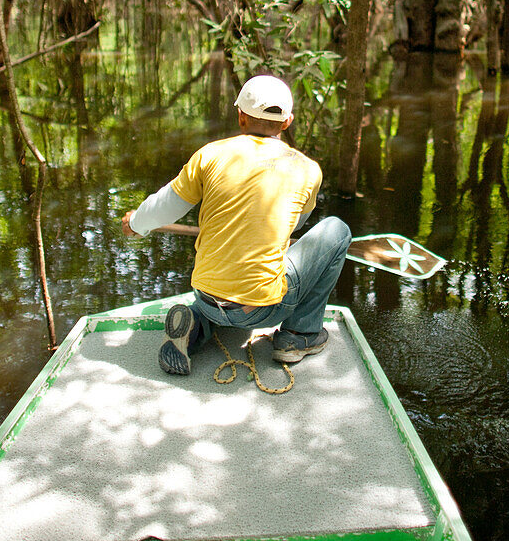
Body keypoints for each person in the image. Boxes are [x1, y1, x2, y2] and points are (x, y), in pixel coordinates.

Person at [121, 74, 352, 376]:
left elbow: (166, 206)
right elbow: (295, 225)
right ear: (287, 122)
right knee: (337, 230)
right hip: (263, 311)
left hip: (205, 298)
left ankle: (196, 322)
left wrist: (136, 222)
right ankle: (299, 335)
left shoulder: (210, 155)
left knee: (215, 294)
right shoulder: (308, 169)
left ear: (241, 117)